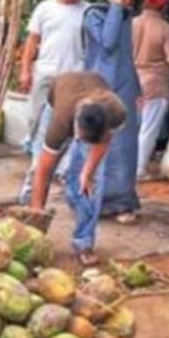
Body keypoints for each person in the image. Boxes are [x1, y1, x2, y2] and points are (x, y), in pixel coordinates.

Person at [24, 71, 129, 266]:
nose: (79, 142)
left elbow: (103, 143)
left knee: (93, 183)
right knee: (36, 169)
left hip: (93, 93)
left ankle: (84, 242)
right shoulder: (61, 120)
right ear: (76, 127)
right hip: (58, 96)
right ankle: (27, 222)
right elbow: (43, 170)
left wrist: (86, 173)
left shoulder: (116, 111)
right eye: (80, 138)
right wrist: (38, 213)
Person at [16, 0, 87, 207]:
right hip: (46, 74)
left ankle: (57, 168)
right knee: (37, 121)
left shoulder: (87, 10)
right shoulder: (45, 9)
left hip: (72, 77)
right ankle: (38, 165)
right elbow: (32, 41)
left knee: (67, 126)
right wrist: (25, 69)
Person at [81, 0, 142, 223]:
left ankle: (122, 201)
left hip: (125, 89)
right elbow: (107, 43)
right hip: (100, 90)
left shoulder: (126, 15)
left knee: (125, 149)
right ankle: (94, 200)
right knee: (100, 146)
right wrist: (115, 6)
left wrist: (138, 88)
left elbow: (127, 56)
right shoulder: (94, 14)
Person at [131, 0, 169, 180]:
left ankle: (126, 168)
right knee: (148, 130)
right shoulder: (165, 28)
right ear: (164, 6)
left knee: (131, 128)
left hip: (133, 82)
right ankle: (138, 170)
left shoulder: (132, 23)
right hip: (155, 85)